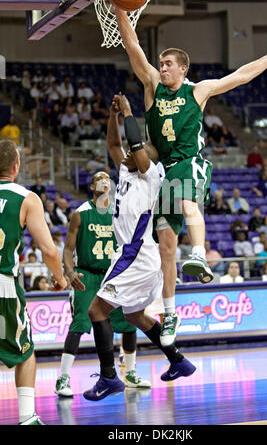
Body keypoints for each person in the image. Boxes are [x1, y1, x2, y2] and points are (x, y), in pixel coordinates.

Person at [114, 5, 267, 344]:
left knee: (185, 201)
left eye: (168, 64)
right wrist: (120, 11)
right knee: (166, 246)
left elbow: (238, 76)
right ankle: (170, 314)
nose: (162, 67)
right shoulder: (152, 86)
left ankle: (198, 252)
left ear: (183, 69)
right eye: (161, 63)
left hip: (190, 161)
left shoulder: (197, 90)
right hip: (164, 168)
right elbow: (132, 46)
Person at [83, 93, 196, 402]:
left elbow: (134, 145)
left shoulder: (151, 175)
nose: (128, 154)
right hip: (135, 255)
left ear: (146, 156)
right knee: (135, 316)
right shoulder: (126, 169)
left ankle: (109, 378)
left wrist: (131, 113)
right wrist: (112, 117)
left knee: (96, 309)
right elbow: (115, 146)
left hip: (137, 254)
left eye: (137, 151)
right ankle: (178, 360)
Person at [55, 164, 151, 398]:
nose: (104, 180)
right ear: (91, 187)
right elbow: (68, 248)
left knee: (129, 322)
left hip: (113, 275)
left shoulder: (119, 213)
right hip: (86, 274)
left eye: (108, 178)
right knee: (79, 323)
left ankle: (129, 372)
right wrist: (69, 271)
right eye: (99, 178)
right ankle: (63, 378)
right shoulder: (80, 213)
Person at [0, 139, 68, 425]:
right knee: (25, 351)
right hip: (4, 284)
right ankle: (27, 417)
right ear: (16, 167)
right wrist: (60, 278)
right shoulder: (26, 198)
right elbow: (50, 250)